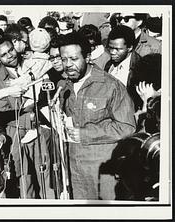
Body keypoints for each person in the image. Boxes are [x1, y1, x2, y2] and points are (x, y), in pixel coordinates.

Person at [57, 31, 136, 199]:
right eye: (64, 59)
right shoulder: (63, 86)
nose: (68, 65)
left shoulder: (111, 86)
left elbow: (127, 127)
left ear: (87, 57)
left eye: (73, 59)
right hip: (73, 170)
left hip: (101, 173)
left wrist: (86, 133)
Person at [0, 36, 55, 199]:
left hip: (40, 129)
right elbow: (1, 114)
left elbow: (48, 64)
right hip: (17, 133)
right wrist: (28, 112)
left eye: (10, 50)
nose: (10, 55)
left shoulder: (31, 64)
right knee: (25, 179)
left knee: (47, 175)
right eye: (4, 55)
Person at [105, 25, 141, 110]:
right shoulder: (109, 64)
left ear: (130, 47)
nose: (112, 52)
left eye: (118, 49)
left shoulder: (139, 67)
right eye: (110, 48)